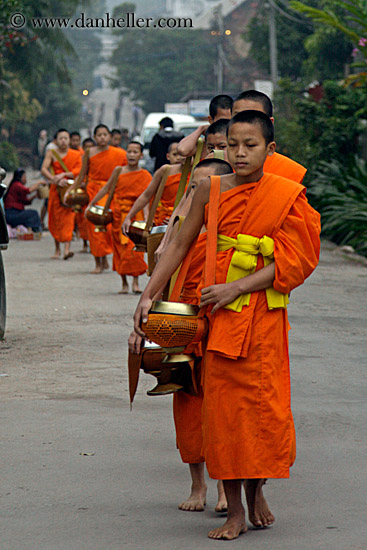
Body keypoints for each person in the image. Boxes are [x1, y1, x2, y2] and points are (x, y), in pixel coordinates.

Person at [132, 110, 321, 540]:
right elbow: (179, 242)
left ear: (269, 150)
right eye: (232, 144)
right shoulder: (209, 189)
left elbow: (297, 260)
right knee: (223, 416)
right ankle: (234, 509)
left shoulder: (287, 194)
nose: (239, 153)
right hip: (219, 322)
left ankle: (257, 492)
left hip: (263, 319)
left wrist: (237, 288)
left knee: (262, 414)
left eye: (249, 146)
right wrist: (149, 294)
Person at [88, 141, 151, 294]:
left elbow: (147, 199)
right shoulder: (118, 171)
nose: (131, 155)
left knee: (135, 250)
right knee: (120, 250)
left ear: (141, 155)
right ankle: (124, 283)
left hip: (136, 216)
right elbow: (106, 189)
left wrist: (147, 220)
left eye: (135, 152)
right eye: (129, 151)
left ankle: (135, 282)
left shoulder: (145, 176)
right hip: (118, 215)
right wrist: (92, 203)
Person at [65, 124, 127, 273]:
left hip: (111, 193)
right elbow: (82, 175)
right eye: (99, 135)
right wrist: (70, 190)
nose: (102, 138)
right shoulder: (89, 152)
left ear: (110, 137)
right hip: (93, 193)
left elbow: (126, 174)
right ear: (94, 137)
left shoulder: (120, 154)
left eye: (105, 135)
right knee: (94, 229)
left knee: (108, 229)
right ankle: (98, 262)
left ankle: (105, 257)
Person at [232, 90, 307, 183]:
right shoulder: (217, 164)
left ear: (270, 123)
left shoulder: (289, 171)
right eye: (237, 117)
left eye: (253, 118)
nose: (244, 124)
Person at [122, 141, 185, 234]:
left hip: (183, 223)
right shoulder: (165, 171)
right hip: (162, 222)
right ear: (168, 156)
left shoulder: (197, 173)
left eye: (182, 154)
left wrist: (179, 217)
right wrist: (129, 216)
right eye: (175, 154)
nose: (179, 158)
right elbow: (146, 196)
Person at [41, 129, 82, 260]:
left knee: (69, 219)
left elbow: (79, 170)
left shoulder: (76, 154)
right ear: (56, 140)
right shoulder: (51, 153)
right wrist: (54, 179)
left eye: (66, 138)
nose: (63, 141)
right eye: (60, 138)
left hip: (69, 190)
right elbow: (43, 168)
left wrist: (64, 175)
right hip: (55, 190)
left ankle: (67, 249)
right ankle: (57, 249)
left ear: (69, 140)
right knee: (55, 219)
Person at [177, 95, 233, 159]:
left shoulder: (240, 143)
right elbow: (183, 150)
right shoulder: (203, 144)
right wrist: (201, 129)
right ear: (211, 120)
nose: (227, 125)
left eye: (222, 146)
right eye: (211, 147)